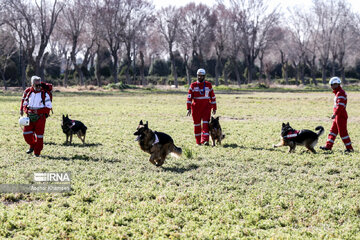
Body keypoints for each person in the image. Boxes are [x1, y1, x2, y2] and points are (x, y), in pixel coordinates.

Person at [20, 76, 52, 157]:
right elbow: (24, 103)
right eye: (36, 85)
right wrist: (26, 111)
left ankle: (37, 153)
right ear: (32, 84)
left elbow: (48, 107)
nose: (38, 87)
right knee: (26, 134)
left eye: (39, 85)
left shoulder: (44, 94)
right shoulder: (28, 92)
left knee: (39, 135)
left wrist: (38, 111)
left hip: (40, 118)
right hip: (29, 116)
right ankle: (32, 145)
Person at [320, 76, 354, 153]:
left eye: (332, 85)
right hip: (338, 115)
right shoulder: (338, 92)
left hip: (340, 115)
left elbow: (340, 105)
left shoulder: (340, 93)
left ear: (336, 84)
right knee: (333, 131)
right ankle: (328, 146)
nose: (331, 86)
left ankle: (350, 148)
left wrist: (335, 114)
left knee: (343, 132)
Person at [186, 68, 216, 145]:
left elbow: (212, 97)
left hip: (206, 108)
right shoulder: (193, 85)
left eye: (202, 76)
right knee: (197, 125)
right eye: (199, 76)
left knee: (206, 124)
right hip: (196, 109)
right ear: (197, 76)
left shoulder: (209, 85)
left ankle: (205, 141)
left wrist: (214, 107)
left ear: (204, 76)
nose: (200, 77)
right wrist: (188, 108)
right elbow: (189, 97)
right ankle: (198, 142)